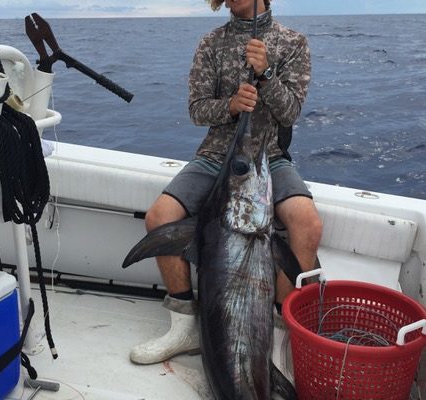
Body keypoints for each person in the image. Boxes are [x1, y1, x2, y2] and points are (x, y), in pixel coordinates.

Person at [130, 0, 322, 380]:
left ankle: (276, 332)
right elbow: (197, 109)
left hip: (269, 157)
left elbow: (290, 113)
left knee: (307, 224)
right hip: (217, 154)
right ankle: (184, 324)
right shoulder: (210, 44)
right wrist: (231, 106)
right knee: (159, 217)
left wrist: (266, 74)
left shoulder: (292, 43)